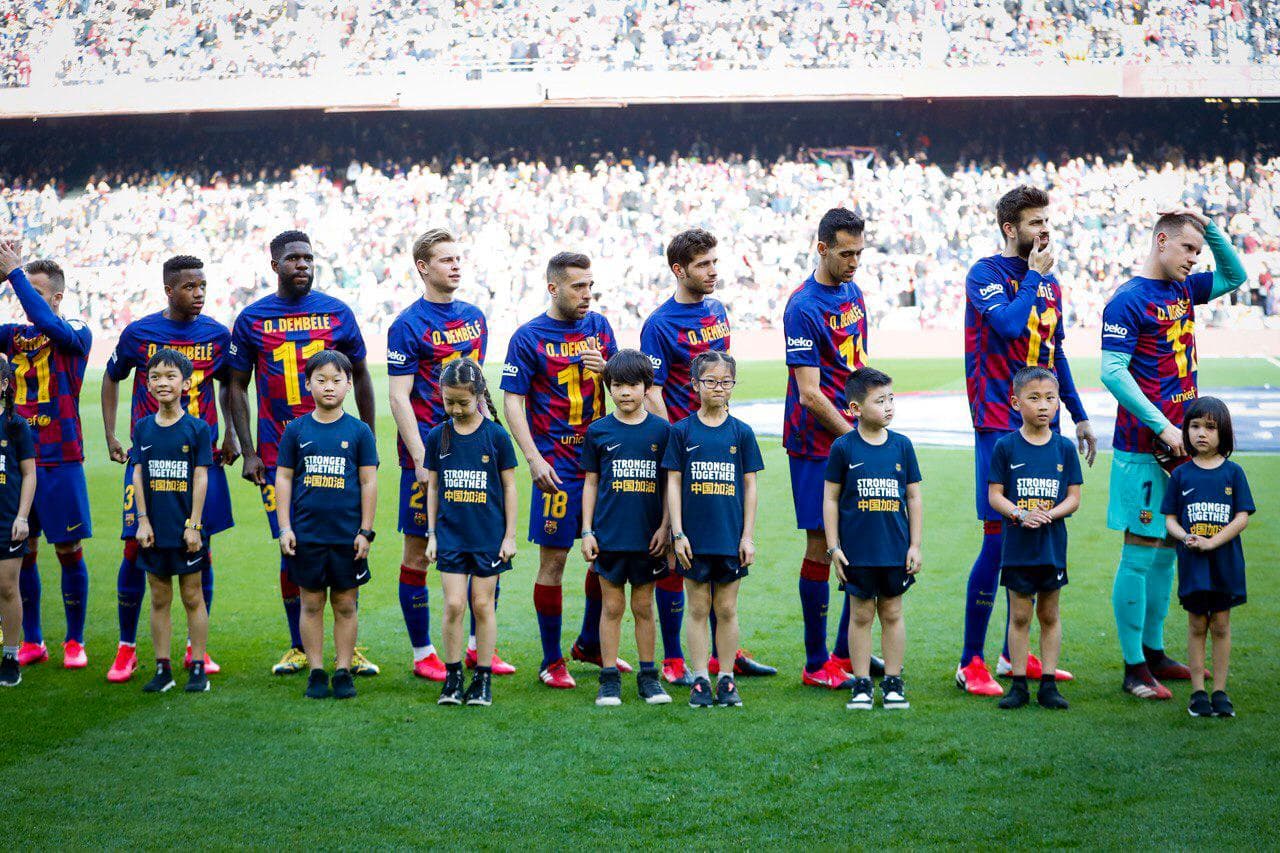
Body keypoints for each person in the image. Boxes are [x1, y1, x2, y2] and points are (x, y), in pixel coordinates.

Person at [1100, 206, 1248, 700]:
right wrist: (1162, 426)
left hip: (1180, 449)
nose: (1193, 259)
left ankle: (1155, 651)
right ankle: (1133, 667)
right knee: (1140, 549)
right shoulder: (1128, 300)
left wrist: (1212, 228)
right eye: (1187, 247)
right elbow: (1112, 372)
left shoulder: (1183, 288)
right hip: (1144, 446)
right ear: (1160, 241)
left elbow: (1235, 276)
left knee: (1167, 549)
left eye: (1197, 251)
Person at [958, 186, 1095, 697]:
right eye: (1035, 222)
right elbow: (1010, 326)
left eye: (1046, 221)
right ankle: (970, 661)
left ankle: (1010, 655)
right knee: (998, 538)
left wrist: (1078, 415)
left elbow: (1054, 354)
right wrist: (1034, 277)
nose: (1044, 231)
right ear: (1010, 228)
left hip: (1046, 425)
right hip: (998, 422)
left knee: (1037, 537)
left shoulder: (1050, 283)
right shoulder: (986, 274)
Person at [227, 230, 379, 677]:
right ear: (275, 265)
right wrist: (249, 451)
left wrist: (367, 439)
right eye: (294, 258)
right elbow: (236, 385)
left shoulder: (337, 312)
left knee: (348, 544)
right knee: (290, 546)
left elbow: (362, 375)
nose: (303, 265)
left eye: (309, 258)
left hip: (338, 454)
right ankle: (299, 645)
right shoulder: (252, 318)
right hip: (280, 457)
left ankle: (349, 648)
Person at [639, 227, 773, 686]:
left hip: (719, 444)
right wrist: (681, 440)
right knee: (676, 551)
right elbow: (653, 392)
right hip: (683, 451)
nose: (713, 271)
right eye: (703, 265)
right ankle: (675, 658)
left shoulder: (717, 311)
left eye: (715, 262)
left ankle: (725, 652)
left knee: (722, 544)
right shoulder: (659, 324)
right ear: (679, 270)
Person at [102, 255, 238, 684]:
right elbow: (112, 376)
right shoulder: (139, 333)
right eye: (190, 287)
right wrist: (110, 434)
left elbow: (229, 385)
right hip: (150, 458)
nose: (199, 293)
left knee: (201, 547)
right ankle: (127, 648)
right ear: (169, 290)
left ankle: (196, 649)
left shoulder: (217, 334)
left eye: (202, 286)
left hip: (201, 461)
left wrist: (230, 433)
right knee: (135, 549)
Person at [388, 229, 513, 682]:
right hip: (432, 454)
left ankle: (481, 647)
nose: (455, 265)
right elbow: (399, 396)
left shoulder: (475, 317)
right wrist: (421, 458)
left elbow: (476, 385)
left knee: (485, 545)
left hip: (476, 452)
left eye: (458, 258)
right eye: (445, 259)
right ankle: (424, 652)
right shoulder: (407, 324)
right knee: (418, 551)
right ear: (423, 267)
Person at [501, 251, 620, 689]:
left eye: (590, 286)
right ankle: (551, 660)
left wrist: (608, 371)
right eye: (577, 287)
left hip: (602, 464)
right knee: (554, 561)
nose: (587, 294)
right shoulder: (528, 336)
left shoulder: (600, 327)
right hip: (557, 465)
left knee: (606, 555)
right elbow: (513, 400)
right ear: (553, 288)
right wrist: (534, 458)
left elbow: (625, 386)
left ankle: (589, 643)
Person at [782, 208, 881, 690]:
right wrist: (854, 438)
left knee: (858, 543)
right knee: (822, 546)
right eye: (846, 254)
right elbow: (809, 393)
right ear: (822, 249)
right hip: (815, 444)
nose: (854, 262)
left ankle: (846, 653)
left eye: (859, 253)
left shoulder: (853, 292)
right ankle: (815, 662)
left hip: (850, 433)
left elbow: (857, 368)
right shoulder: (802, 306)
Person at [0, 242, 92, 670]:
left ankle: (75, 641)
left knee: (68, 548)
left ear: (56, 297)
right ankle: (33, 639)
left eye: (34, 291)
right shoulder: (11, 335)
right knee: (23, 548)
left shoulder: (76, 330)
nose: (24, 298)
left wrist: (15, 274)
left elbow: (48, 323)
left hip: (60, 457)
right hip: (20, 459)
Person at [276, 350, 378, 701]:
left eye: (337, 380)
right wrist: (285, 527)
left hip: (347, 538)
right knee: (311, 604)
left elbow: (368, 482)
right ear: (308, 384)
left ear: (349, 385)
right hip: (307, 535)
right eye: (321, 380)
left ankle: (343, 670)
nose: (329, 387)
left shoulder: (360, 431)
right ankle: (317, 671)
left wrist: (365, 531)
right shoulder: (296, 430)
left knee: (346, 604)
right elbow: (284, 479)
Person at [663, 351, 762, 708]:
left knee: (727, 609)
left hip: (729, 538)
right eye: (710, 381)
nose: (718, 388)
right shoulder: (682, 431)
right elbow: (673, 484)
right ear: (695, 384)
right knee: (698, 608)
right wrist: (677, 534)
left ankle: (727, 678)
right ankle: (701, 678)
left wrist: (747, 536)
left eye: (726, 382)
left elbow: (750, 486)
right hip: (694, 540)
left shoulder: (742, 433)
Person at [824, 368, 922, 710]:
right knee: (861, 615)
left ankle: (893, 682)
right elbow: (831, 499)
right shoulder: (843, 448)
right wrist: (833, 547)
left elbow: (914, 497)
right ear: (855, 408)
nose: (889, 406)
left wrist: (915, 545)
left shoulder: (902, 446)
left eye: (891, 398)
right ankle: (862, 683)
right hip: (858, 552)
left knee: (892, 612)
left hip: (894, 550)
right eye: (880, 401)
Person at [986, 367, 1083, 710]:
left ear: (1057, 403)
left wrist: (1049, 514)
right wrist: (1020, 514)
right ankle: (1018, 685)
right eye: (1034, 398)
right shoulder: (1005, 447)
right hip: (1018, 548)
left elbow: (1074, 498)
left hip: (1052, 547)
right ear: (1016, 402)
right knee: (1019, 616)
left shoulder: (1064, 448)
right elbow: (995, 496)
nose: (1043, 405)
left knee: (1049, 614)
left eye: (1050, 398)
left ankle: (1048, 684)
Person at [581, 349, 673, 706]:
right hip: (609, 537)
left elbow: (669, 485)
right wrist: (587, 531)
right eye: (617, 384)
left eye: (633, 385)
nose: (624, 392)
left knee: (644, 607)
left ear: (646, 387)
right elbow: (591, 483)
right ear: (608, 387)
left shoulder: (662, 430)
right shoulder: (598, 431)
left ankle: (649, 678)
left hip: (648, 539)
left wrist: (666, 527)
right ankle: (608, 679)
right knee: (612, 607)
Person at [424, 358, 517, 707]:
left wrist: (509, 536)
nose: (456, 409)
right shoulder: (438, 436)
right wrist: (432, 534)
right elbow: (433, 488)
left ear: (478, 395)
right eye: (449, 402)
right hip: (450, 536)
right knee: (453, 604)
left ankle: (482, 678)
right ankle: (453, 678)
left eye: (462, 402)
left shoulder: (496, 436)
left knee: (482, 605)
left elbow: (509, 488)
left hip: (487, 537)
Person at [1161, 397, 1254, 718]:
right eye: (1195, 426)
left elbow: (1242, 517)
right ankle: (1198, 691)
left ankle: (1220, 692)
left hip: (1224, 562)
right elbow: (1170, 519)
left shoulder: (1233, 473)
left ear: (1223, 432)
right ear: (1186, 430)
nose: (1201, 433)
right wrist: (1184, 536)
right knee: (1197, 623)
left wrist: (1213, 542)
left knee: (1221, 624)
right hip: (1194, 563)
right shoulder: (1181, 475)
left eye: (1210, 427)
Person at [131, 349, 214, 695]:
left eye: (170, 376)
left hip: (186, 530)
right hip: (154, 528)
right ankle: (162, 669)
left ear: (186, 383)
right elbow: (138, 474)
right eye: (155, 377)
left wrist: (194, 525)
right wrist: (142, 521)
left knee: (193, 596)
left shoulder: (198, 429)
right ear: (148, 384)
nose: (162, 382)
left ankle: (198, 667)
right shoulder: (143, 428)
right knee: (159, 597)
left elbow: (200, 477)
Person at [0, 355, 36, 687]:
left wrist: (22, 516)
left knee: (8, 587)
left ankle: (10, 656)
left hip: (7, 520)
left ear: (3, 385)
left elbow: (28, 473)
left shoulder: (15, 425)